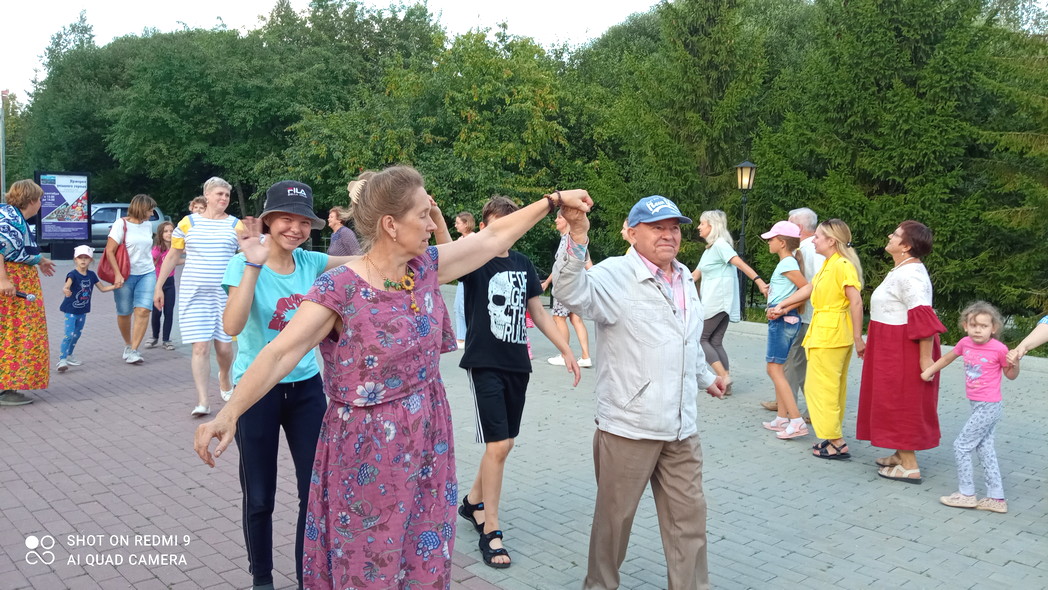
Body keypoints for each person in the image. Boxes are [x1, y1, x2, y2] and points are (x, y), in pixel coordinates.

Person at [193, 166, 593, 589]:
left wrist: (552, 201)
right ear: (391, 224)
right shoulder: (340, 289)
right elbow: (279, 353)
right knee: (369, 557)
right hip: (366, 452)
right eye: (423, 215)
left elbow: (493, 238)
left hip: (427, 439)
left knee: (422, 546)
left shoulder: (423, 267)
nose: (431, 224)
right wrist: (229, 413)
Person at [552, 194, 726, 590]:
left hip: (681, 428)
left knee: (689, 521)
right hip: (629, 427)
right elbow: (567, 290)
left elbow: (685, 338)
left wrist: (704, 376)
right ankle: (600, 585)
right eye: (657, 227)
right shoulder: (615, 275)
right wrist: (577, 237)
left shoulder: (684, 276)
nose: (668, 235)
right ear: (632, 233)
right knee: (614, 523)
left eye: (674, 228)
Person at [222, 181, 358, 590]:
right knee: (260, 495)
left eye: (303, 222)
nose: (295, 229)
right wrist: (253, 264)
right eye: (286, 219)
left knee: (313, 492)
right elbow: (232, 326)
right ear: (268, 220)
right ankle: (262, 579)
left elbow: (367, 260)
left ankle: (307, 578)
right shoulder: (243, 263)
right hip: (256, 391)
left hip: (306, 390)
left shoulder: (310, 262)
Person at [457, 196, 581, 569]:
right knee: (498, 444)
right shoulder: (475, 259)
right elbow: (447, 252)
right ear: (484, 227)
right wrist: (433, 214)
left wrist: (566, 349)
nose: (505, 231)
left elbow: (537, 312)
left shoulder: (523, 264)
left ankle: (471, 502)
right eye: (497, 224)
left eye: (512, 224)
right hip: (484, 363)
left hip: (517, 365)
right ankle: (491, 530)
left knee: (505, 443)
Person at [856, 221, 947, 483]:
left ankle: (909, 465)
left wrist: (925, 359)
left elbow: (923, 317)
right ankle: (899, 453)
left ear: (906, 246)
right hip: (890, 343)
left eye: (895, 234)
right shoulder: (902, 269)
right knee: (889, 397)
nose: (890, 236)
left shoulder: (911, 275)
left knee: (901, 400)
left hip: (904, 348)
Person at [772, 219, 864, 460]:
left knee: (824, 389)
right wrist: (783, 305)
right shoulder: (829, 264)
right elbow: (809, 288)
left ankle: (837, 441)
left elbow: (855, 301)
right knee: (823, 387)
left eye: (819, 237)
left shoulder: (842, 265)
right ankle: (831, 437)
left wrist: (858, 338)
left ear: (831, 241)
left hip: (832, 334)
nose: (813, 240)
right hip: (825, 331)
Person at [155, 177, 245, 417]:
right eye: (219, 194)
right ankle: (203, 401)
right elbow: (172, 256)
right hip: (195, 294)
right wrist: (158, 286)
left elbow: (249, 255)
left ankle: (224, 377)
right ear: (207, 196)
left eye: (227, 195)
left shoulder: (236, 225)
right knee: (200, 347)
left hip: (225, 295)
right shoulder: (188, 223)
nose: (224, 198)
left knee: (224, 348)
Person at [921, 302, 1018, 513]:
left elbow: (1010, 375)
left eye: (983, 326)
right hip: (977, 404)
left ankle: (966, 494)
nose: (978, 330)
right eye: (973, 325)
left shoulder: (999, 349)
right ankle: (997, 498)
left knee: (961, 446)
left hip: (989, 406)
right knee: (984, 448)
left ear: (993, 328)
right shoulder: (965, 343)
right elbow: (947, 358)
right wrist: (929, 371)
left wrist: (1015, 363)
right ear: (965, 326)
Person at [693, 210, 768, 392]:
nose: (699, 227)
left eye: (702, 223)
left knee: (701, 339)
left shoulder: (720, 245)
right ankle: (726, 385)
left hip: (718, 301)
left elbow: (740, 264)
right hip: (716, 301)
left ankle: (724, 377)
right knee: (715, 341)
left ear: (712, 225)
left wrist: (759, 281)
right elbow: (694, 275)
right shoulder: (710, 249)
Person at [0, 180, 56, 406]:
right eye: (40, 199)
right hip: (14, 283)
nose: (41, 203)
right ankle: (7, 388)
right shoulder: (11, 219)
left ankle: (8, 384)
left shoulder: (12, 216)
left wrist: (40, 260)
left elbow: (17, 249)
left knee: (14, 332)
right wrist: (3, 279)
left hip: (18, 280)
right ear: (31, 200)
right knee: (15, 332)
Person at [763, 207, 824, 414]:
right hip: (801, 314)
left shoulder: (807, 251)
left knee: (787, 365)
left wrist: (783, 305)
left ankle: (791, 409)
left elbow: (809, 286)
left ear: (797, 228)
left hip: (804, 315)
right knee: (794, 364)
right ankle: (791, 408)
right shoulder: (802, 253)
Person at [759, 221, 810, 439]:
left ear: (781, 242)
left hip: (782, 321)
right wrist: (781, 304)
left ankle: (796, 421)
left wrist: (782, 307)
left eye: (771, 239)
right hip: (783, 318)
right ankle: (782, 418)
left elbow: (807, 288)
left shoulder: (787, 263)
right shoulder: (787, 262)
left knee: (774, 369)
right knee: (776, 368)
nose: (768, 242)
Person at [105, 193, 158, 365]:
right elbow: (109, 251)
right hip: (125, 274)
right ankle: (128, 345)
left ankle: (134, 349)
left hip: (147, 272)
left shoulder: (148, 225)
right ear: (141, 209)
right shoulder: (121, 224)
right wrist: (117, 274)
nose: (152, 214)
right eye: (150, 210)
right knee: (124, 312)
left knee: (143, 310)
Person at [542, 209, 593, 368]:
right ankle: (585, 356)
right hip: (577, 285)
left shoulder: (566, 240)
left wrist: (549, 283)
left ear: (567, 220)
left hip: (565, 285)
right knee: (576, 319)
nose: (556, 221)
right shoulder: (575, 239)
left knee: (559, 318)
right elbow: (586, 262)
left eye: (559, 218)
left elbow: (561, 266)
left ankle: (565, 355)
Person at [57, 245, 118, 372]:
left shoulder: (91, 275)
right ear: (75, 259)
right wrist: (66, 290)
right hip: (70, 310)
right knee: (69, 335)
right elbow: (66, 286)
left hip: (83, 310)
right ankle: (62, 359)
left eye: (86, 257)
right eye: (80, 258)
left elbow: (102, 288)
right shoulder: (72, 274)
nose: (83, 260)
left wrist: (115, 286)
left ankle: (69, 355)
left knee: (77, 334)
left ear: (91, 260)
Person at [147, 221, 180, 350]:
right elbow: (150, 263)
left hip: (170, 283)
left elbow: (175, 261)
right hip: (157, 283)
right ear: (160, 234)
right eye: (166, 231)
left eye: (171, 231)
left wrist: (189, 260)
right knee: (156, 312)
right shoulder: (157, 250)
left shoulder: (176, 248)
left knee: (169, 312)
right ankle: (154, 336)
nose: (169, 234)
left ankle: (166, 339)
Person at [453, 210, 476, 345]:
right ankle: (462, 336)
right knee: (458, 307)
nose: (456, 225)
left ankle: (466, 337)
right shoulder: (460, 240)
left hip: (470, 276)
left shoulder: (473, 238)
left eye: (458, 223)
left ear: (466, 224)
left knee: (464, 307)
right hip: (461, 275)